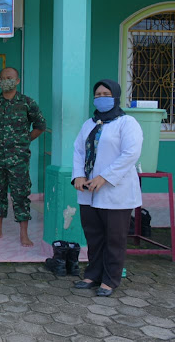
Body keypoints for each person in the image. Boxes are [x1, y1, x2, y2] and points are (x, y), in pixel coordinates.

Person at [72, 79, 142, 297]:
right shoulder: (89, 123)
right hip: (89, 192)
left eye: (106, 94)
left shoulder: (127, 122)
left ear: (116, 97)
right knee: (93, 236)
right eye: (98, 94)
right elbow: (78, 151)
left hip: (115, 192)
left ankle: (110, 279)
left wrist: (105, 177)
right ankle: (93, 274)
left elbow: (131, 153)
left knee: (114, 237)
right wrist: (78, 176)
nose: (101, 98)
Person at [0, 67, 46, 247]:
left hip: (19, 160)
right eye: (3, 78)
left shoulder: (27, 103)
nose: (6, 80)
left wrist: (25, 140)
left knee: (20, 195)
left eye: (10, 78)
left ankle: (24, 234)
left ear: (17, 81)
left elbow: (40, 125)